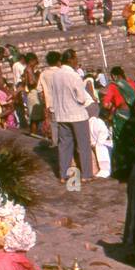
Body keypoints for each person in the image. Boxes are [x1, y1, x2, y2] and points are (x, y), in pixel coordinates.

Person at [39, 51, 95, 183]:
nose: (77, 62)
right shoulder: (74, 75)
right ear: (70, 60)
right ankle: (86, 174)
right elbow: (81, 98)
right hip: (77, 115)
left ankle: (63, 174)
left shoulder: (55, 75)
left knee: (64, 145)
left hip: (61, 115)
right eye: (76, 59)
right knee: (83, 145)